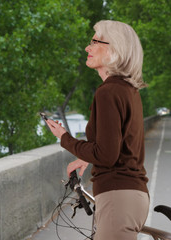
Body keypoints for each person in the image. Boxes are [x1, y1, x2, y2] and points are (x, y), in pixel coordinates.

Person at [45, 20, 149, 240]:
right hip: (133, 196)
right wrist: (84, 159)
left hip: (118, 199)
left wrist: (64, 137)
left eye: (94, 41)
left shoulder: (108, 92)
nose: (87, 47)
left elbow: (107, 155)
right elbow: (120, 145)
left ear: (114, 49)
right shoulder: (128, 90)